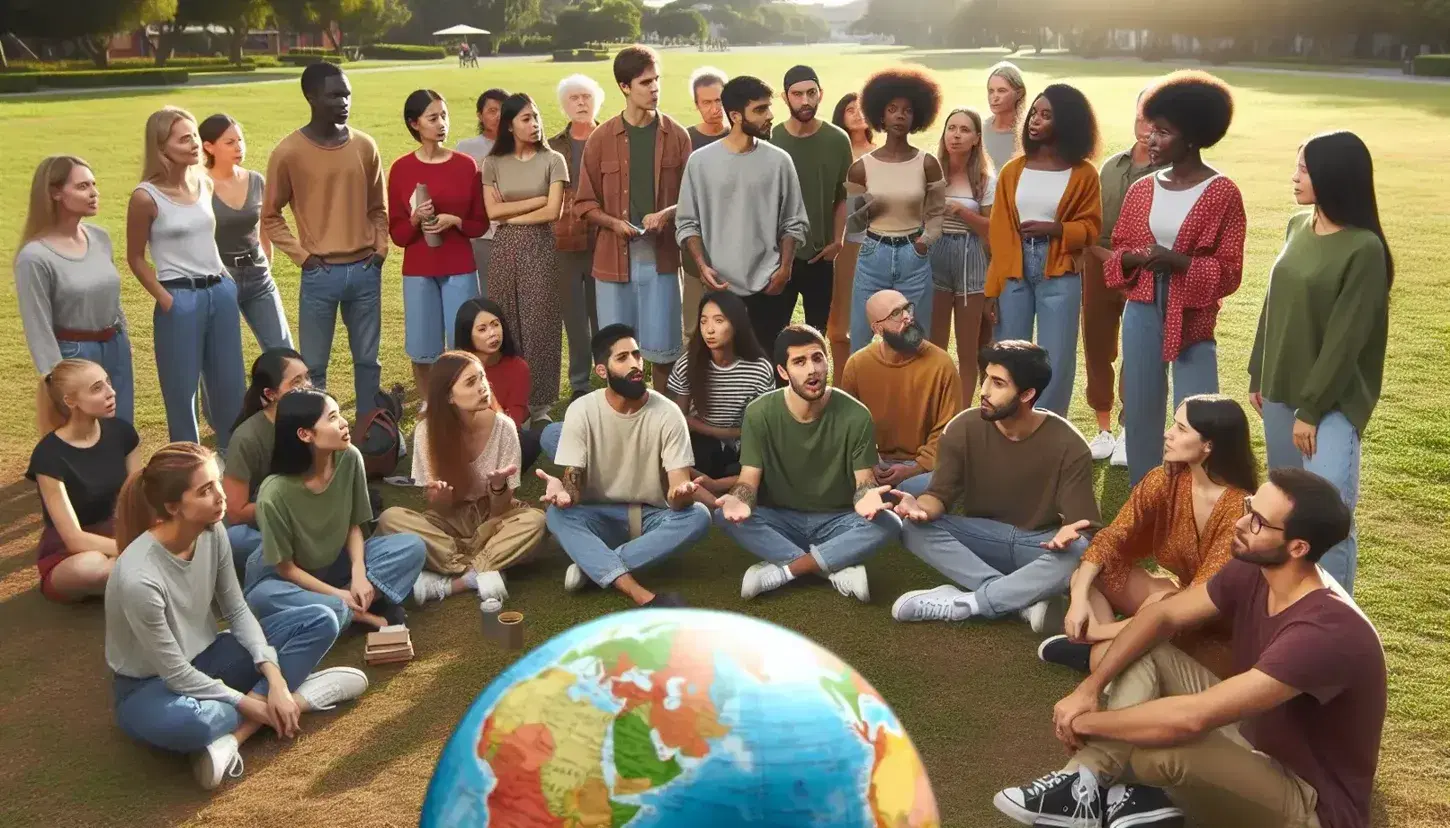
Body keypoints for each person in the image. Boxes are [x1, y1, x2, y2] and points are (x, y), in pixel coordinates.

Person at [996, 469, 1385, 828]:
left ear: (1298, 547)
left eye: (1258, 522)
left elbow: (1192, 718)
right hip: (1255, 739)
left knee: (1161, 751)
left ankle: (1101, 790)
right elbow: (1162, 618)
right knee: (1146, 650)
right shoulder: (1255, 567)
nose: (1240, 523)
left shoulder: (1325, 633)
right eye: (1250, 507)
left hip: (1311, 804)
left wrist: (1082, 721)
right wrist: (1089, 689)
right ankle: (1088, 783)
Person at [106, 442, 366, 791]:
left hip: (212, 655)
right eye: (205, 490)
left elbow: (236, 609)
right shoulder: (138, 578)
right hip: (150, 686)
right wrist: (248, 702)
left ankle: (242, 732)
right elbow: (176, 673)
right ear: (173, 506)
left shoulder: (212, 533)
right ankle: (302, 697)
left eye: (217, 482)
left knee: (321, 620)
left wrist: (273, 677)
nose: (220, 497)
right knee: (200, 724)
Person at [1248, 131, 1392, 596]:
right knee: (1285, 517)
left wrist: (1310, 408)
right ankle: (1288, 608)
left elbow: (1346, 339)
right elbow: (1274, 305)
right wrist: (1258, 372)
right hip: (1279, 393)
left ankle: (1335, 622)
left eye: (1305, 169)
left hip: (1327, 406)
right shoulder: (1297, 226)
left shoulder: (1364, 248)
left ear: (1335, 176)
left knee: (1328, 522)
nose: (1295, 177)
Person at [1095, 72, 1244, 488]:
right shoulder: (1142, 189)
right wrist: (1132, 259)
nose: (1150, 140)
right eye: (1149, 129)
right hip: (1142, 307)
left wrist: (1177, 261)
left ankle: (1197, 494)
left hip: (1193, 314)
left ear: (1192, 136)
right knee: (1141, 405)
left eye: (1162, 131)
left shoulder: (1222, 192)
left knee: (1199, 412)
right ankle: (1146, 491)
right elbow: (1120, 249)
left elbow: (1230, 270)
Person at [1040, 395, 1256, 677]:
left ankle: (1096, 655)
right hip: (1173, 601)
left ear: (1208, 445)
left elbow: (1196, 603)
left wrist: (1097, 631)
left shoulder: (1240, 510)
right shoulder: (1165, 480)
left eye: (1181, 428)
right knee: (1092, 573)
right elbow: (1110, 540)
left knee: (1160, 603)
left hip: (1214, 625)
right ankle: (1114, 654)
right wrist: (1078, 601)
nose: (1168, 433)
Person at [891, 341, 1099, 632]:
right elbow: (939, 495)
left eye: (998, 383)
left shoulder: (1069, 444)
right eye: (986, 377)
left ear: (1027, 394)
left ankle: (968, 604)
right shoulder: (963, 427)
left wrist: (1070, 530)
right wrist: (919, 508)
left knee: (1079, 551)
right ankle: (1017, 599)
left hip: (1037, 544)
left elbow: (1084, 527)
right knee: (911, 528)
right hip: (982, 536)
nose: (984, 391)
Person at [715, 324, 899, 602]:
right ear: (783, 372)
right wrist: (739, 500)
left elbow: (864, 482)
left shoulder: (856, 415)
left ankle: (785, 571)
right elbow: (748, 480)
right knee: (723, 517)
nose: (812, 369)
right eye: (799, 362)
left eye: (817, 358)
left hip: (838, 519)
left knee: (890, 523)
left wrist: (866, 498)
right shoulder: (759, 413)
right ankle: (832, 568)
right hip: (781, 517)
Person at [537, 324, 710, 607]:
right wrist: (564, 492)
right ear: (602, 371)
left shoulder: (668, 413)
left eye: (637, 355)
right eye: (622, 358)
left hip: (649, 516)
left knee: (698, 516)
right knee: (557, 515)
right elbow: (574, 488)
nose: (635, 364)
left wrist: (681, 496)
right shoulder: (582, 411)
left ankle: (593, 564)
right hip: (597, 515)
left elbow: (678, 489)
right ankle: (640, 594)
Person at [262, 63, 387, 417]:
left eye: (347, 93)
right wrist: (303, 257)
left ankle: (368, 427)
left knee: (368, 361)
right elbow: (271, 214)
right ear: (310, 97)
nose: (344, 101)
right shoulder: (288, 152)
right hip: (319, 274)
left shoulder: (365, 146)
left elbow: (378, 207)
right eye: (334, 95)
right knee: (313, 367)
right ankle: (318, 430)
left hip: (365, 269)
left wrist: (380, 249)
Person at [243, 389, 426, 631]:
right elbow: (286, 569)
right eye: (332, 418)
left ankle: (338, 611)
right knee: (263, 598)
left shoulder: (349, 457)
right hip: (288, 579)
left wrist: (359, 574)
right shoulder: (274, 493)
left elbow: (353, 525)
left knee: (411, 548)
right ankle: (365, 617)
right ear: (305, 434)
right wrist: (338, 595)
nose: (343, 423)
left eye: (339, 415)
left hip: (338, 565)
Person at [376, 351, 547, 606]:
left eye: (482, 379)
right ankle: (484, 568)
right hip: (449, 524)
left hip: (493, 519)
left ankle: (456, 580)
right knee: (391, 519)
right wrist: (440, 498)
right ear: (449, 396)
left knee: (536, 521)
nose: (482, 388)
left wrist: (499, 488)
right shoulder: (427, 431)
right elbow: (437, 509)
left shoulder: (504, 427)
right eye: (470, 382)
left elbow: (500, 510)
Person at [127, 106, 247, 449]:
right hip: (180, 298)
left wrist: (226, 280)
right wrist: (165, 298)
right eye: (183, 138)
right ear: (161, 147)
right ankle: (187, 466)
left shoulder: (204, 183)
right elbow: (135, 258)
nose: (194, 143)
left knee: (230, 385)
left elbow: (205, 239)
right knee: (182, 392)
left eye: (194, 135)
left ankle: (233, 461)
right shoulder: (145, 197)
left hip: (220, 292)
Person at [575, 46, 693, 391]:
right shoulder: (600, 139)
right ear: (625, 87)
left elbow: (693, 197)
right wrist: (613, 223)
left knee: (664, 353)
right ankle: (624, 418)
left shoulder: (677, 136)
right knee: (618, 353)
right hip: (613, 261)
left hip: (663, 260)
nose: (655, 88)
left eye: (657, 80)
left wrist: (668, 214)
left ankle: (664, 423)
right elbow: (584, 203)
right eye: (645, 82)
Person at [986, 83, 1102, 417]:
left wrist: (1057, 229)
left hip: (1060, 270)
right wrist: (993, 289)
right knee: (1007, 355)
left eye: (1046, 115)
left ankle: (1049, 429)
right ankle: (1005, 422)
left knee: (1057, 357)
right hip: (1014, 269)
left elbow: (1092, 229)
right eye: (1034, 113)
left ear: (1066, 122)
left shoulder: (1083, 174)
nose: (1035, 121)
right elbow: (999, 234)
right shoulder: (1012, 170)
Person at [676, 75, 809, 352]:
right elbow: (688, 223)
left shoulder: (779, 161)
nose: (770, 116)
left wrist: (784, 269)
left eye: (769, 107)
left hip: (769, 287)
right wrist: (702, 267)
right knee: (722, 370)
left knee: (768, 368)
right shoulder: (700, 162)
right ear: (736, 116)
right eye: (760, 110)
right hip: (720, 288)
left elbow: (794, 222)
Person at [15, 155, 135, 423]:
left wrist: (123, 340)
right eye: (82, 187)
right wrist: (55, 379)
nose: (94, 193)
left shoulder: (100, 238)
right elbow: (37, 327)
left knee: (122, 427)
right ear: (55, 193)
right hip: (75, 355)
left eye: (94, 184)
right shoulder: (34, 257)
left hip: (115, 345)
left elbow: (112, 299)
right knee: (83, 434)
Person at [1083, 89, 1168, 467]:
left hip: (1143, 273)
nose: (1145, 128)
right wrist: (1109, 258)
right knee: (1098, 349)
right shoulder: (1111, 166)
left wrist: (1130, 262)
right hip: (1099, 266)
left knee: (1137, 353)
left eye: (1154, 122)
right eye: (1140, 118)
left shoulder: (1169, 175)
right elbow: (1094, 226)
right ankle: (1102, 429)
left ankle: (1128, 431)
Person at [388, 89, 488, 408]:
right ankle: (430, 406)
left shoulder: (466, 166)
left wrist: (455, 220)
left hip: (460, 266)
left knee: (464, 346)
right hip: (418, 271)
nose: (442, 123)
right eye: (433, 118)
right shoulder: (401, 169)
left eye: (444, 115)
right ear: (414, 123)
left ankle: (466, 403)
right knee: (422, 349)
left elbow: (479, 224)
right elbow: (399, 235)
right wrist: (416, 219)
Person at [845, 67, 946, 356]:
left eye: (907, 110)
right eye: (892, 109)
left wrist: (923, 244)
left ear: (917, 117)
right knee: (860, 341)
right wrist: (869, 211)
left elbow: (936, 215)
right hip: (872, 255)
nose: (900, 116)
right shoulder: (861, 167)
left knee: (914, 342)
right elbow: (853, 226)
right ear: (881, 115)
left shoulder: (927, 164)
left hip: (913, 256)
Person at [482, 93, 568, 427]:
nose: (534, 125)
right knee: (507, 324)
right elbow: (492, 211)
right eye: (526, 119)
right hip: (503, 250)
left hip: (540, 248)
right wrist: (535, 198)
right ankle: (511, 399)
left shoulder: (553, 160)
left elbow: (553, 211)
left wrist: (510, 215)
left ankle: (541, 404)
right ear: (509, 125)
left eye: (536, 117)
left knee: (541, 325)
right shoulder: (492, 163)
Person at [26, 358, 142, 601]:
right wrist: (135, 548)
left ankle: (131, 578)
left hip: (120, 533)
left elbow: (136, 500)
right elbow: (74, 538)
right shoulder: (48, 456)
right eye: (97, 388)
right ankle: (134, 575)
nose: (111, 392)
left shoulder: (123, 433)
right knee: (92, 567)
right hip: (71, 553)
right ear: (71, 401)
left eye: (108, 383)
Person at [840, 290, 961, 499]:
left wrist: (916, 468)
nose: (907, 317)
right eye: (895, 314)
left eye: (907, 308)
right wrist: (868, 462)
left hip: (922, 468)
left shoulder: (942, 364)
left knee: (944, 479)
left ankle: (889, 498)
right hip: (874, 464)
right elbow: (849, 427)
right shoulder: (857, 365)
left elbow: (948, 432)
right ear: (877, 328)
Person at [667, 291, 776, 497]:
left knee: (762, 461)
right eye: (703, 321)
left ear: (736, 324)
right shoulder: (688, 363)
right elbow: (679, 422)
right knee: (686, 455)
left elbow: (762, 427)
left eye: (719, 321)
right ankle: (713, 486)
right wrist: (712, 432)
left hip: (744, 441)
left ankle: (718, 486)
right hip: (702, 443)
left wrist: (727, 434)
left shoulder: (759, 368)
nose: (709, 330)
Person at [200, 114, 294, 352]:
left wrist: (266, 262)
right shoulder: (198, 186)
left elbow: (264, 227)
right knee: (219, 358)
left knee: (283, 351)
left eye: (240, 140)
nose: (238, 147)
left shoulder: (256, 181)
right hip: (219, 279)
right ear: (208, 147)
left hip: (258, 276)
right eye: (229, 142)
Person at [770, 65, 853, 333]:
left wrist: (838, 241)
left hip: (821, 256)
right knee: (773, 333)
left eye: (811, 93)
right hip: (777, 257)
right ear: (784, 97)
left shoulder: (838, 140)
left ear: (821, 94)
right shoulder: (771, 138)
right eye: (797, 94)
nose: (805, 101)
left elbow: (843, 196)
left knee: (818, 332)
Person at [223, 348, 311, 580]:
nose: (308, 386)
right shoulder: (247, 438)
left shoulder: (319, 420)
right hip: (263, 527)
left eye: (307, 377)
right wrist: (292, 504)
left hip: (310, 518)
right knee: (235, 540)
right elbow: (235, 511)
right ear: (271, 394)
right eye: (297, 382)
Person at [929, 108, 996, 401]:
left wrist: (960, 212)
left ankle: (964, 413)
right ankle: (935, 409)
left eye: (964, 130)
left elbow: (992, 231)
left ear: (976, 138)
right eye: (951, 128)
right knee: (934, 344)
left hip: (972, 259)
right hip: (935, 254)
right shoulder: (931, 173)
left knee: (968, 348)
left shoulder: (984, 180)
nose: (955, 135)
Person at [549, 74, 605, 404]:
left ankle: (609, 370)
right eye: (574, 98)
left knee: (604, 312)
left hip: (604, 238)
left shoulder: (611, 135)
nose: (581, 103)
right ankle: (580, 381)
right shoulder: (553, 144)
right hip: (565, 242)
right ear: (564, 105)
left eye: (586, 96)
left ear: (596, 100)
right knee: (573, 315)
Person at [454, 297, 542, 471]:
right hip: (462, 440)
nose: (493, 333)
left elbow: (512, 425)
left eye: (496, 324)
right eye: (482, 329)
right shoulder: (455, 366)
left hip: (500, 438)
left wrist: (487, 392)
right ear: (467, 334)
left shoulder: (518, 368)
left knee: (529, 443)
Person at [828, 93, 877, 382]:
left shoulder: (882, 152)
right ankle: (841, 380)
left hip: (875, 239)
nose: (857, 113)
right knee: (839, 316)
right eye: (849, 109)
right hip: (844, 240)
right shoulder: (837, 152)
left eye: (861, 108)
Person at [682, 66, 729, 344]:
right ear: (697, 105)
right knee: (693, 326)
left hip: (735, 250)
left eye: (719, 100)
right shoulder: (684, 140)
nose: (714, 108)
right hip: (694, 249)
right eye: (707, 102)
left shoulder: (740, 137)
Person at [456, 88, 509, 294]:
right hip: (483, 235)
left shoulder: (522, 145)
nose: (498, 116)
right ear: (480, 115)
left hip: (516, 231)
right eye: (492, 110)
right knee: (487, 292)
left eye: (503, 110)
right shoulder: (466, 149)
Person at [983, 61, 1026, 171]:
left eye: (1002, 91)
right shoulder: (980, 129)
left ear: (1019, 93)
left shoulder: (1028, 133)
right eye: (991, 91)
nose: (994, 97)